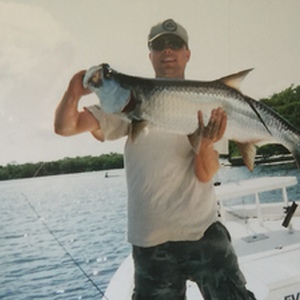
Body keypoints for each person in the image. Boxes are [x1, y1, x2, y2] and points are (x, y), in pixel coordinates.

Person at [55, 18, 255, 300]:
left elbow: (205, 173)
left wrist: (207, 143)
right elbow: (66, 127)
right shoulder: (126, 107)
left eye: (175, 44)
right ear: (150, 56)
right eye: (159, 45)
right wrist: (73, 92)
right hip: (151, 243)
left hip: (203, 233)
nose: (167, 51)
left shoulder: (209, 105)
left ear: (187, 53)